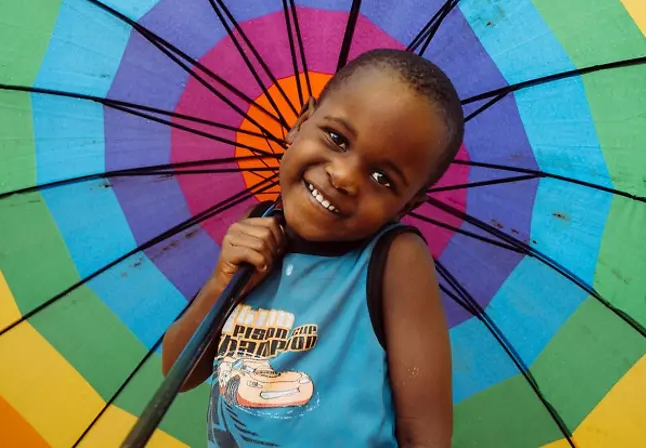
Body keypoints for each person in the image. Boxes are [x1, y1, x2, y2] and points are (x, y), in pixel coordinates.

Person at [162, 49, 464, 447]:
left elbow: (424, 431)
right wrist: (222, 283)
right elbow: (178, 373)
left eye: (381, 177)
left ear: (408, 204)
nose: (343, 176)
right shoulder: (258, 229)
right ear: (303, 122)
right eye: (337, 139)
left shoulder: (395, 259)